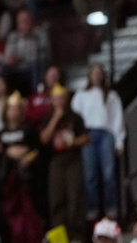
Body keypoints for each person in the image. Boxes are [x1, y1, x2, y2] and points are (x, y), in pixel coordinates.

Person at [72, 64, 125, 221]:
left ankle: (111, 210)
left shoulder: (111, 95)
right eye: (93, 73)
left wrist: (119, 141)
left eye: (99, 73)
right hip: (88, 135)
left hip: (106, 134)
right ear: (89, 75)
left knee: (108, 175)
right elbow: (75, 118)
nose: (96, 76)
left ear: (103, 75)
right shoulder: (81, 94)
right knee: (90, 177)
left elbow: (117, 119)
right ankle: (93, 211)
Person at [42, 84, 89, 243]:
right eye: (57, 98)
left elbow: (86, 138)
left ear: (67, 98)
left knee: (75, 196)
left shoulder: (75, 117)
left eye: (62, 98)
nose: (60, 101)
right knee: (57, 199)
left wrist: (72, 142)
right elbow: (44, 139)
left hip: (73, 159)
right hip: (55, 161)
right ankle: (60, 238)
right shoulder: (48, 117)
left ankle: (77, 236)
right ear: (52, 100)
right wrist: (56, 117)